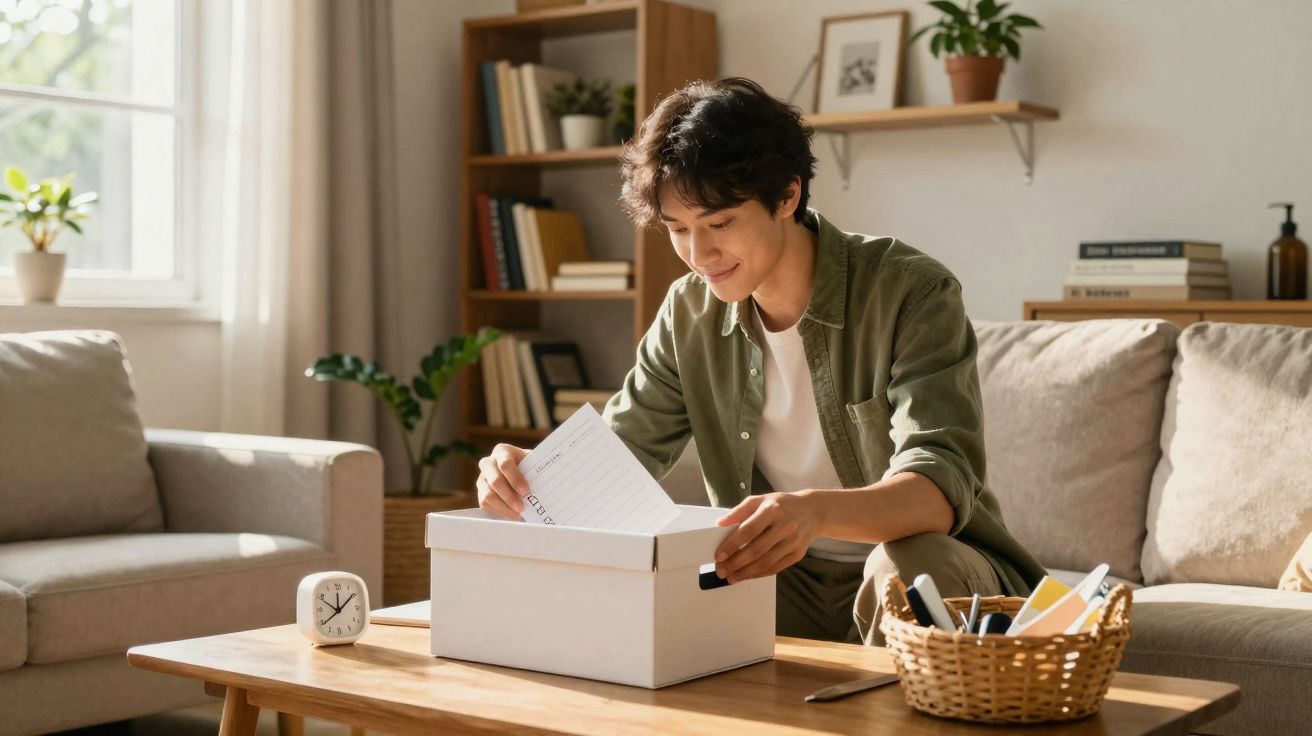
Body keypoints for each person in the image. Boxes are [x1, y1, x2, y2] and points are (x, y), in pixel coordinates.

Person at [474, 77, 1045, 645]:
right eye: (678, 229)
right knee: (665, 590)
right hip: (780, 580)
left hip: (920, 566)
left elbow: (938, 488)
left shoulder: (910, 292)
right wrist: (528, 476)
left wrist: (812, 513)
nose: (699, 255)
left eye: (719, 224)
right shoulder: (688, 313)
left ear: (787, 197)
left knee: (905, 568)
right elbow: (620, 455)